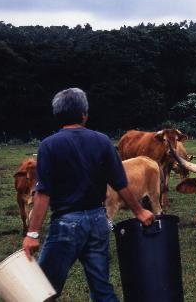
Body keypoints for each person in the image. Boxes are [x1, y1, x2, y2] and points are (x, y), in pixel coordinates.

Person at [23, 87, 154, 301]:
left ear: (57, 115)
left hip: (66, 225)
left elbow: (43, 193)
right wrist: (139, 211)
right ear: (84, 114)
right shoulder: (103, 141)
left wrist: (32, 234)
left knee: (42, 290)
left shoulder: (48, 146)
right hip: (98, 221)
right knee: (102, 290)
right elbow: (120, 183)